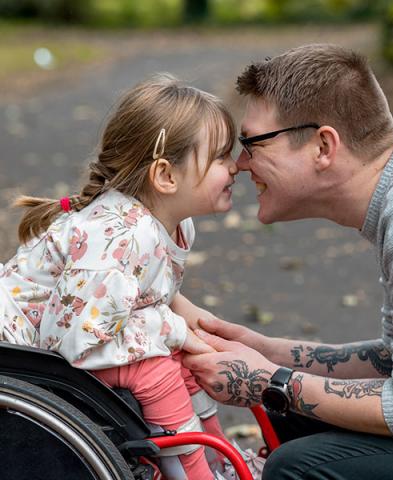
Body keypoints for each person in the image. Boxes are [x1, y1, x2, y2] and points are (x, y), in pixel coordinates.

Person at [183, 43, 393, 479]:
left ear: (323, 146)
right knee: (290, 412)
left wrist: (269, 380)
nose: (241, 164)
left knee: (295, 467)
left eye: (253, 143)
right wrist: (266, 352)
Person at [0, 74, 264, 480]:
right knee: (157, 364)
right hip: (22, 349)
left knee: (187, 350)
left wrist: (183, 319)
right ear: (165, 176)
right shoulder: (120, 238)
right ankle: (195, 471)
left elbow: (143, 290)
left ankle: (219, 458)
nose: (235, 168)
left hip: (75, 329)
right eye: (219, 157)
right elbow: (72, 340)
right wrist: (167, 327)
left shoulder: (176, 224)